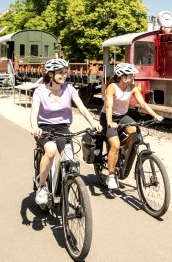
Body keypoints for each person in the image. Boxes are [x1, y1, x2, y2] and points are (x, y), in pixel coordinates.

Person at [30, 58, 102, 205]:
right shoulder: (40, 91)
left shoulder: (69, 89)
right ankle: (42, 187)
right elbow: (34, 112)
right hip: (44, 128)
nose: (64, 75)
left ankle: (66, 185)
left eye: (65, 72)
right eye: (60, 73)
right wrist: (34, 127)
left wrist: (93, 122)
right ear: (51, 74)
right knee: (50, 150)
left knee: (69, 160)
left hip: (63, 128)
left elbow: (81, 108)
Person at [100, 63, 163, 189]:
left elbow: (143, 104)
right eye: (130, 76)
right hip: (108, 116)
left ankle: (123, 151)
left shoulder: (132, 87)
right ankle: (111, 176)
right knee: (115, 145)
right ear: (122, 77)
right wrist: (110, 123)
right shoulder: (112, 87)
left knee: (134, 131)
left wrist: (155, 115)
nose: (132, 78)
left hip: (122, 116)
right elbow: (108, 107)